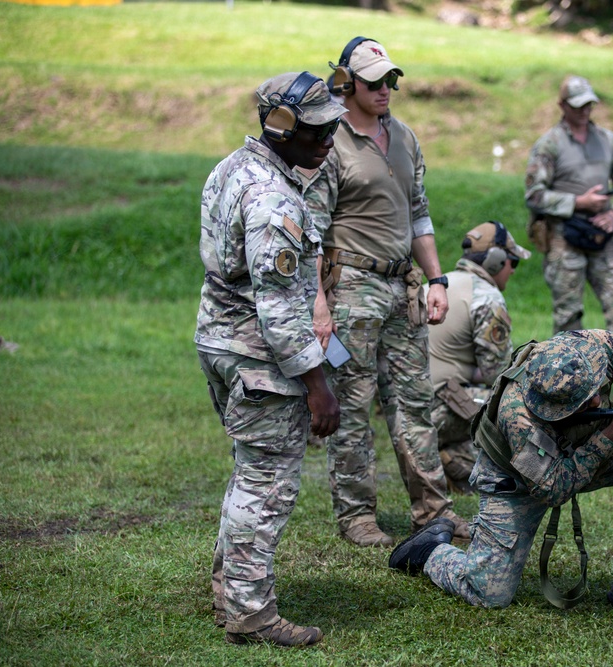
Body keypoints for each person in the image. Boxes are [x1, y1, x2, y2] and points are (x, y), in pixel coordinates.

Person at [388, 330, 613, 613]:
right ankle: (431, 552)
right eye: (584, 403)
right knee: (488, 592)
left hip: (582, 450)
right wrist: (609, 441)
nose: (598, 401)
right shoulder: (519, 418)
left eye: (596, 391)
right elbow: (552, 488)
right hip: (516, 479)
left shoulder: (598, 346)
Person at [301, 37, 469, 548]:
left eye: (391, 79)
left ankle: (433, 511)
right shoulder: (329, 143)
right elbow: (311, 229)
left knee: (415, 402)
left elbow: (419, 212)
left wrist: (437, 279)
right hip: (351, 284)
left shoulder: (405, 137)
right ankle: (356, 516)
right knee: (352, 405)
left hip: (403, 287)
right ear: (347, 85)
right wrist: (318, 304)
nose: (385, 89)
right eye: (374, 81)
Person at [196, 71, 345, 647]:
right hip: (261, 357)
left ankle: (232, 593)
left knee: (249, 474)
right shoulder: (273, 200)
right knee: (266, 484)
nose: (328, 138)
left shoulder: (232, 167)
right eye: (316, 131)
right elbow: (280, 311)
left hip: (220, 340)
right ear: (280, 130)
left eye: (332, 126)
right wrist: (317, 385)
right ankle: (251, 614)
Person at [524, 75, 613, 344]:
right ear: (562, 105)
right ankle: (574, 380)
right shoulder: (549, 144)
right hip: (564, 236)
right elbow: (534, 195)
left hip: (604, 235)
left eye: (589, 104)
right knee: (569, 317)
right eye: (577, 105)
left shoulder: (608, 141)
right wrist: (578, 203)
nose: (584, 111)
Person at [425, 220, 530, 495]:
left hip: (413, 406)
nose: (513, 271)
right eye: (513, 263)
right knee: (518, 403)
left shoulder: (437, 285)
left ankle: (452, 459)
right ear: (496, 261)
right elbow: (500, 375)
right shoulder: (487, 297)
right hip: (439, 408)